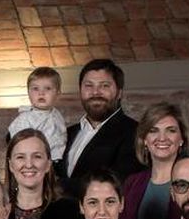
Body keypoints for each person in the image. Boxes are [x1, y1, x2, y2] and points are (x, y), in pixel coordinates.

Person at [61, 59, 144, 195]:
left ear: (119, 92)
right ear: (80, 90)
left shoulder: (135, 132)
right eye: (89, 86)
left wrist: (58, 187)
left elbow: (118, 184)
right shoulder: (66, 133)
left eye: (104, 86)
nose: (95, 92)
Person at [2, 128, 86, 219]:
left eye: (37, 156)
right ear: (11, 165)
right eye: (20, 157)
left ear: (48, 164)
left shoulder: (71, 211)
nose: (29, 164)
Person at [116, 103, 189, 219]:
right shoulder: (132, 183)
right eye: (153, 130)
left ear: (181, 139)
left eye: (171, 130)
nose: (162, 138)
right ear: (144, 139)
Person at [6, 67, 67, 162]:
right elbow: (18, 144)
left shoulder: (56, 115)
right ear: (28, 92)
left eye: (48, 88)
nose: (41, 93)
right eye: (35, 89)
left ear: (58, 93)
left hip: (56, 160)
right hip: (34, 161)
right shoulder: (26, 119)